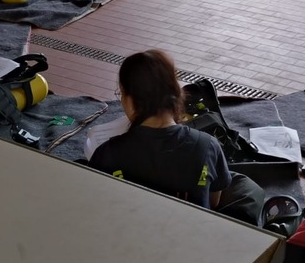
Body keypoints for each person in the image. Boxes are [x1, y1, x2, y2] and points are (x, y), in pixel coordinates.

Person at [89, 49, 264, 225]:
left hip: (127, 234)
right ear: (176, 94)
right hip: (192, 235)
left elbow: (98, 205)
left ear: (131, 101)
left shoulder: (106, 154)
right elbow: (213, 202)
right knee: (245, 187)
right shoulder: (208, 146)